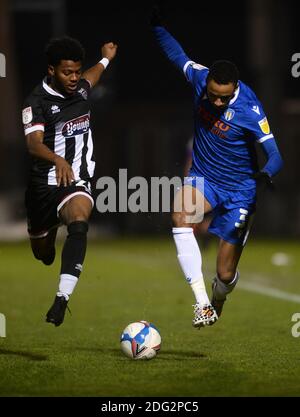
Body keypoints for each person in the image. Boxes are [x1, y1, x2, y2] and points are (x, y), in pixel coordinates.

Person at [151, 9, 283, 328]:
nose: (217, 104)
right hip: (205, 178)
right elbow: (177, 55)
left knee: (224, 273)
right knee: (181, 216)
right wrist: (155, 24)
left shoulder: (251, 109)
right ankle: (201, 304)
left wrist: (265, 175)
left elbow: (276, 155)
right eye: (212, 96)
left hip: (240, 191)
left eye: (223, 99)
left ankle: (218, 297)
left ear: (234, 89)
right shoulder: (200, 79)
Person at [22, 36, 117, 326]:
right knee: (43, 254)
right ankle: (49, 230)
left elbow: (92, 76)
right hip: (43, 186)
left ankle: (62, 299)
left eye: (77, 71)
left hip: (75, 181)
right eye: (67, 72)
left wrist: (105, 59)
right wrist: (58, 159)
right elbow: (33, 144)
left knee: (79, 220)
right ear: (52, 70)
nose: (75, 78)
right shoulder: (36, 101)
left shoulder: (81, 90)